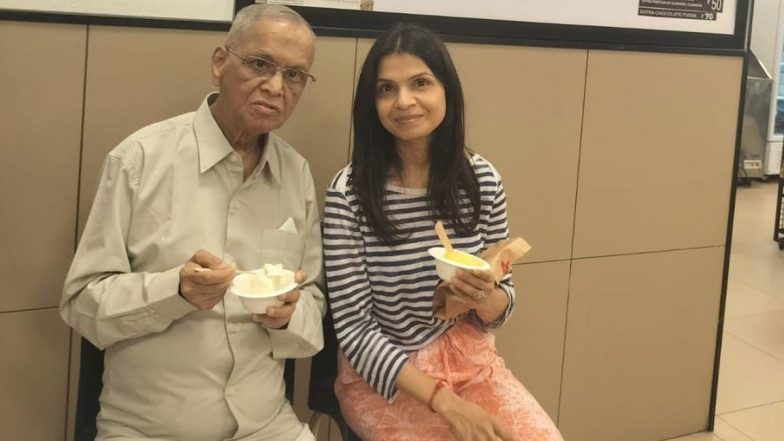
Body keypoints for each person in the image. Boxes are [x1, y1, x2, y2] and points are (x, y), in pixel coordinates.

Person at [60, 5, 325, 441]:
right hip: (149, 429)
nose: (276, 86)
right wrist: (176, 291)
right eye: (260, 64)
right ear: (220, 63)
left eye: (295, 75)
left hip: (267, 425)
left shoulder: (295, 175)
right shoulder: (139, 161)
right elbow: (81, 304)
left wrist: (287, 317)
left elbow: (313, 310)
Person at [323, 23, 564, 441]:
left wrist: (482, 293)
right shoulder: (349, 194)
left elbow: (502, 304)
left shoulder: (482, 180)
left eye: (421, 83)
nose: (404, 101)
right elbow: (355, 331)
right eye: (386, 89)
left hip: (473, 365)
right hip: (388, 375)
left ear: (445, 91)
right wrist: (447, 404)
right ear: (371, 103)